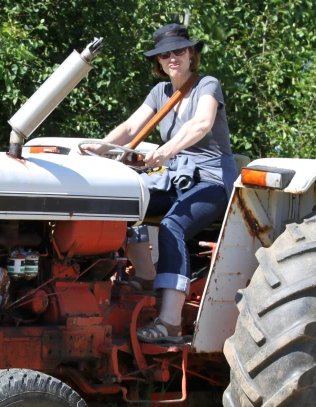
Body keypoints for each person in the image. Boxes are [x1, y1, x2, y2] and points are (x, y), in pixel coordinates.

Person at [86, 23, 238, 342]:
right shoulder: (160, 93)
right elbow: (130, 128)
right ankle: (144, 275)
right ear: (158, 62)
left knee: (172, 226)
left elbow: (201, 123)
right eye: (165, 54)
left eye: (179, 51)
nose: (172, 58)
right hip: (176, 177)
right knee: (125, 202)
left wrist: (166, 150)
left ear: (191, 54)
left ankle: (169, 322)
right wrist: (93, 150)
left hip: (211, 180)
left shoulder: (207, 85)